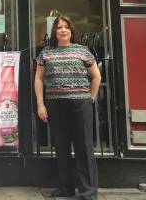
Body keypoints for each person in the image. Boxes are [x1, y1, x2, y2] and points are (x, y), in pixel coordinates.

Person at [34, 15, 102, 199]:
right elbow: (39, 79)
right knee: (61, 148)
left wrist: (91, 98)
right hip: (55, 105)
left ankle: (88, 192)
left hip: (81, 104)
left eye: (66, 27)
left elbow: (96, 76)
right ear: (54, 32)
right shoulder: (46, 53)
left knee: (84, 148)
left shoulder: (83, 51)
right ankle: (66, 188)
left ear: (71, 30)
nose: (63, 30)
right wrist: (41, 104)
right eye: (59, 27)